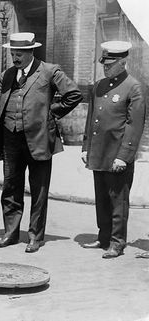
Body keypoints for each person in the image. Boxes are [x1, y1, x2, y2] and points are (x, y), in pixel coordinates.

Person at [0, 32, 83, 253]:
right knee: (10, 186)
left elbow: (73, 94)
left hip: (39, 138)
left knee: (39, 189)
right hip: (11, 138)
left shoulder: (50, 71)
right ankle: (10, 233)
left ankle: (35, 236)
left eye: (19, 53)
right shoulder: (8, 74)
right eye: (13, 53)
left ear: (31, 51)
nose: (15, 57)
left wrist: (51, 114)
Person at [81, 41, 145, 259]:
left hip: (117, 154)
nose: (105, 68)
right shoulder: (99, 85)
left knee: (118, 199)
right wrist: (85, 146)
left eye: (110, 64)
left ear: (123, 62)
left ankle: (117, 242)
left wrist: (124, 156)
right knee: (101, 198)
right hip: (98, 152)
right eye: (104, 64)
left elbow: (134, 126)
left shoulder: (133, 87)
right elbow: (92, 118)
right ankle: (104, 236)